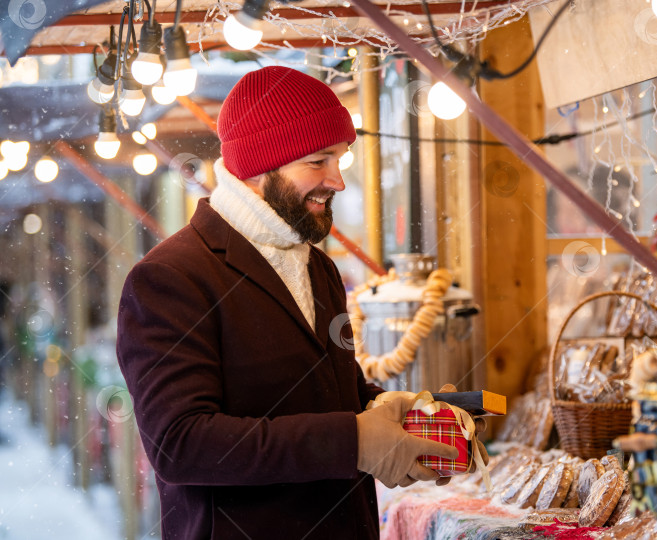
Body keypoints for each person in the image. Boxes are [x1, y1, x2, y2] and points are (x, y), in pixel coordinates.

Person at [116, 66, 461, 540]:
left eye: (341, 160)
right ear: (260, 166)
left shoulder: (318, 269)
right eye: (318, 161)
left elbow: (326, 395)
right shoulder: (170, 277)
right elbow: (180, 444)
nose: (337, 181)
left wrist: (390, 414)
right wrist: (355, 441)